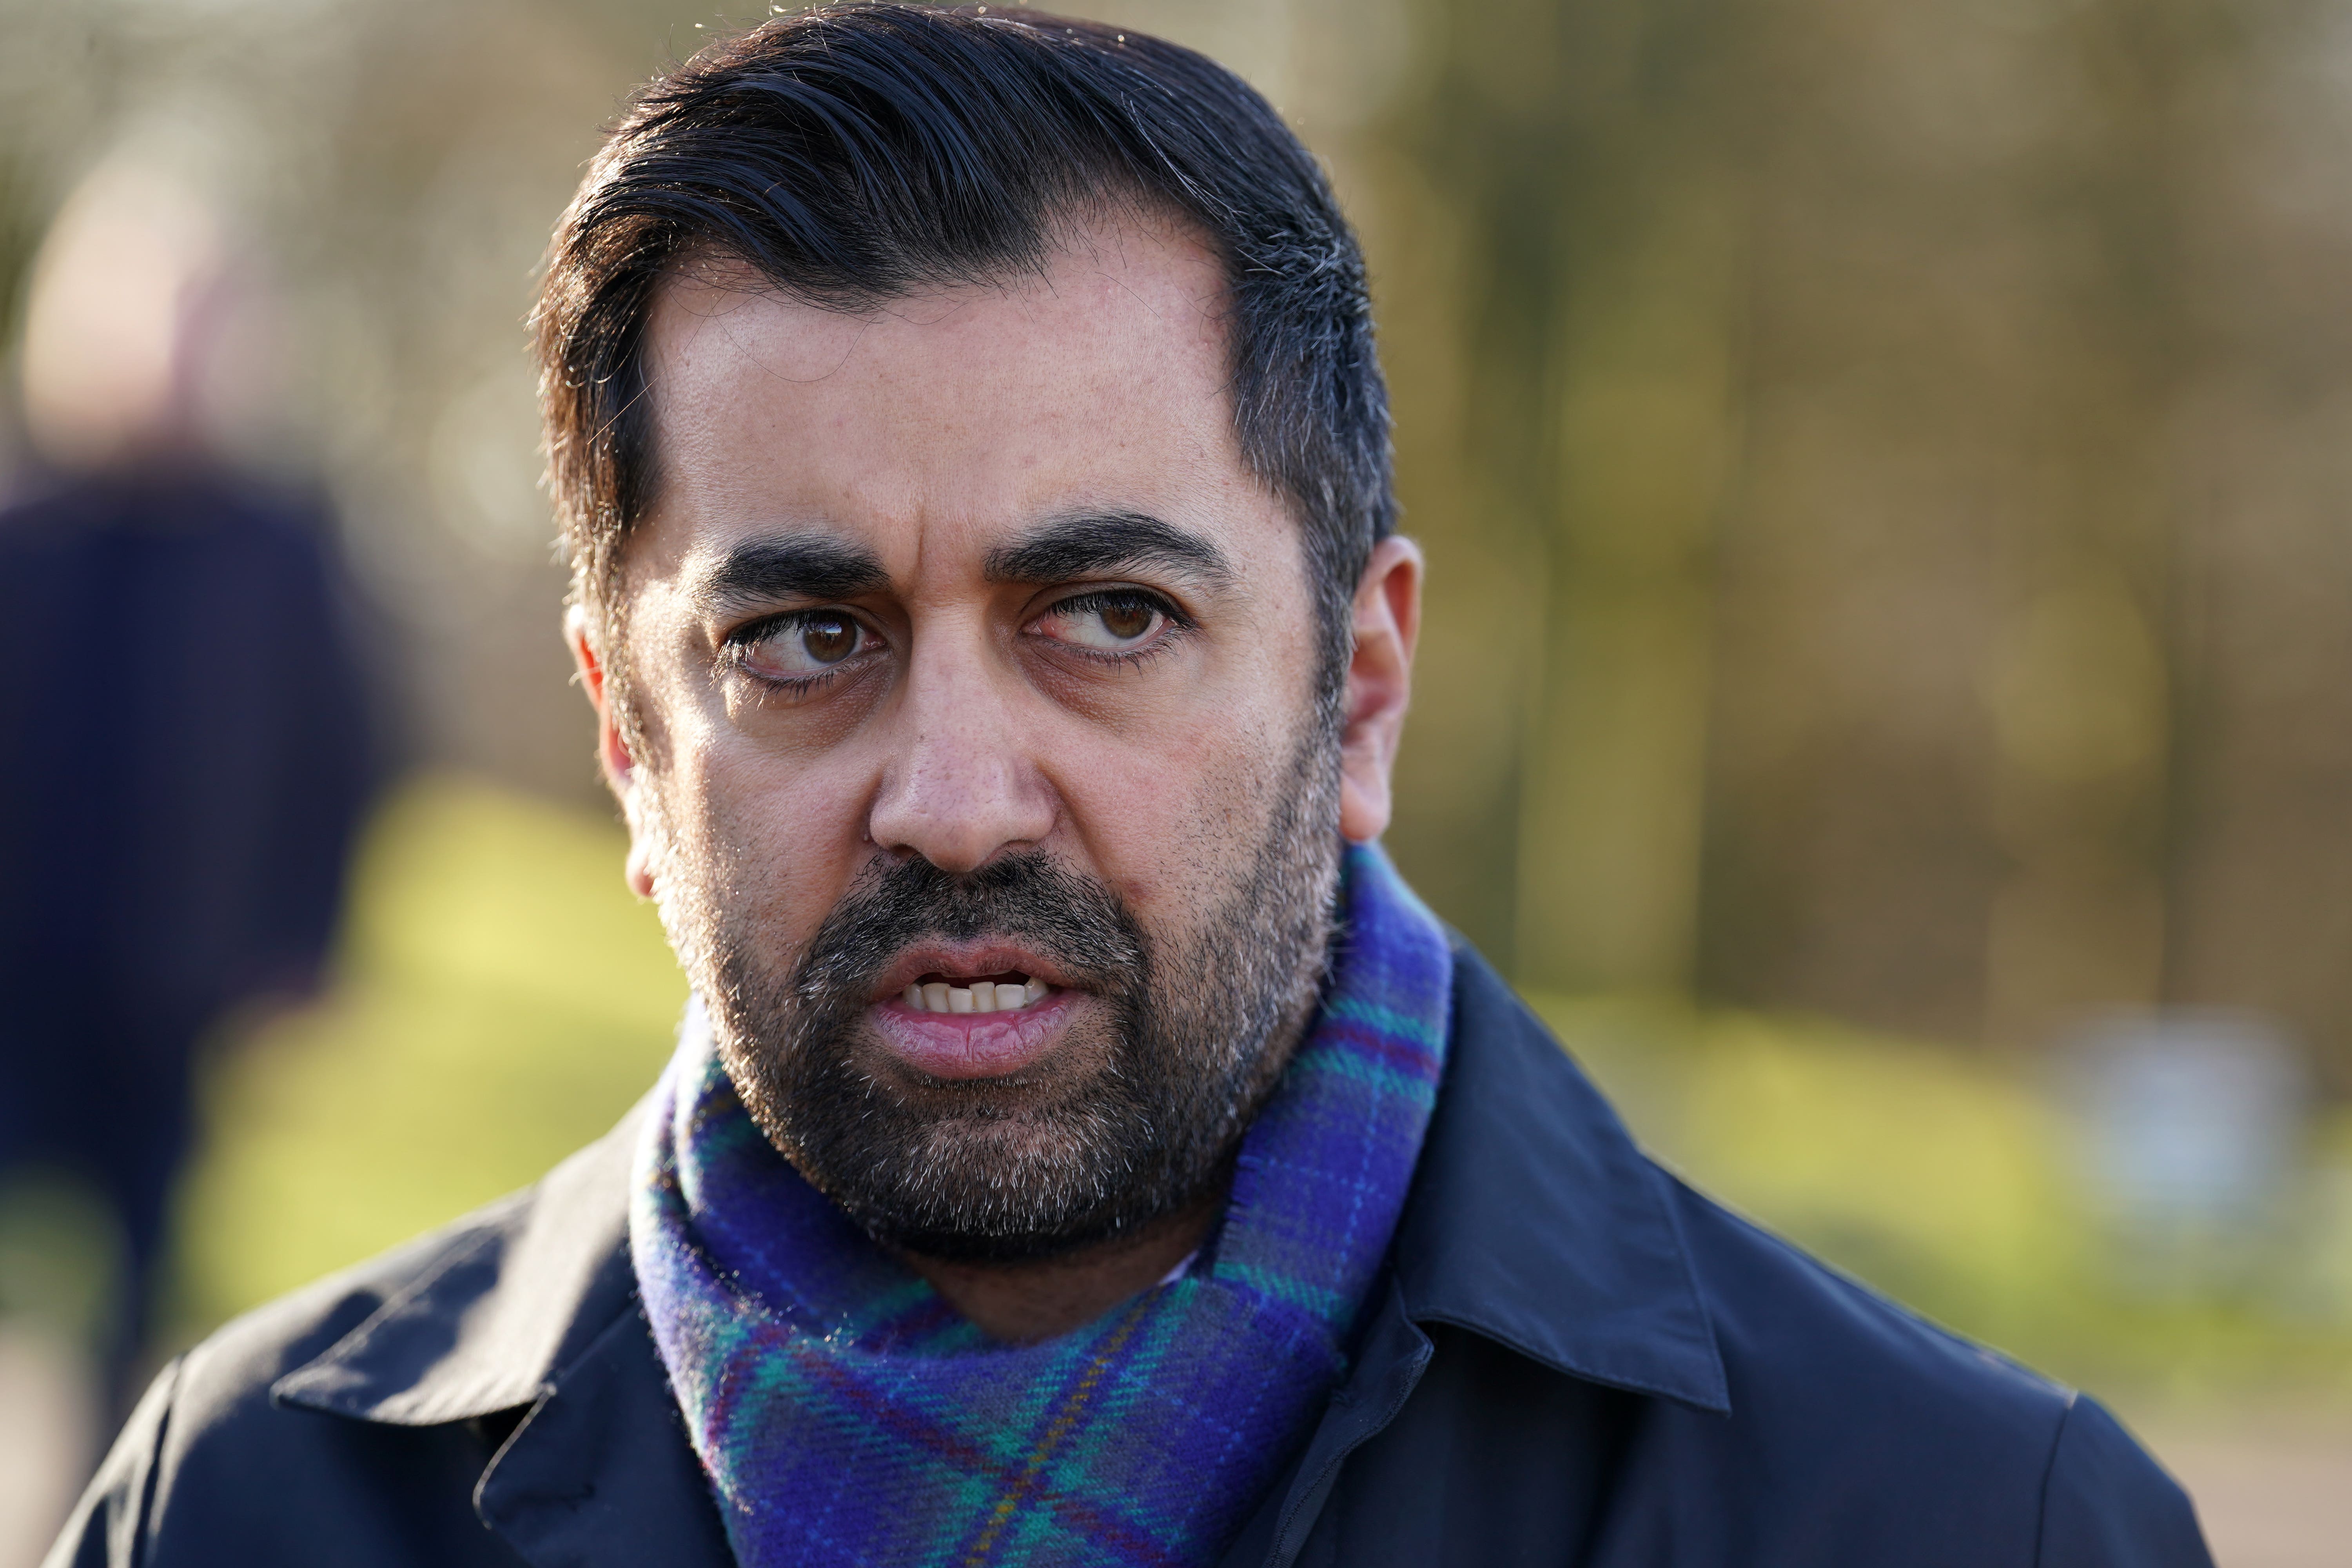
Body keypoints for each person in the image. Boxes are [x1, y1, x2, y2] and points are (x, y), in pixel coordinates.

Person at [48, 8, 2212, 1565]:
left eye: (1105, 618)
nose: (960, 801)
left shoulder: (1957, 1524)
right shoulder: (245, 1510)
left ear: (1360, 691)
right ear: (630, 744)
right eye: (804, 642)